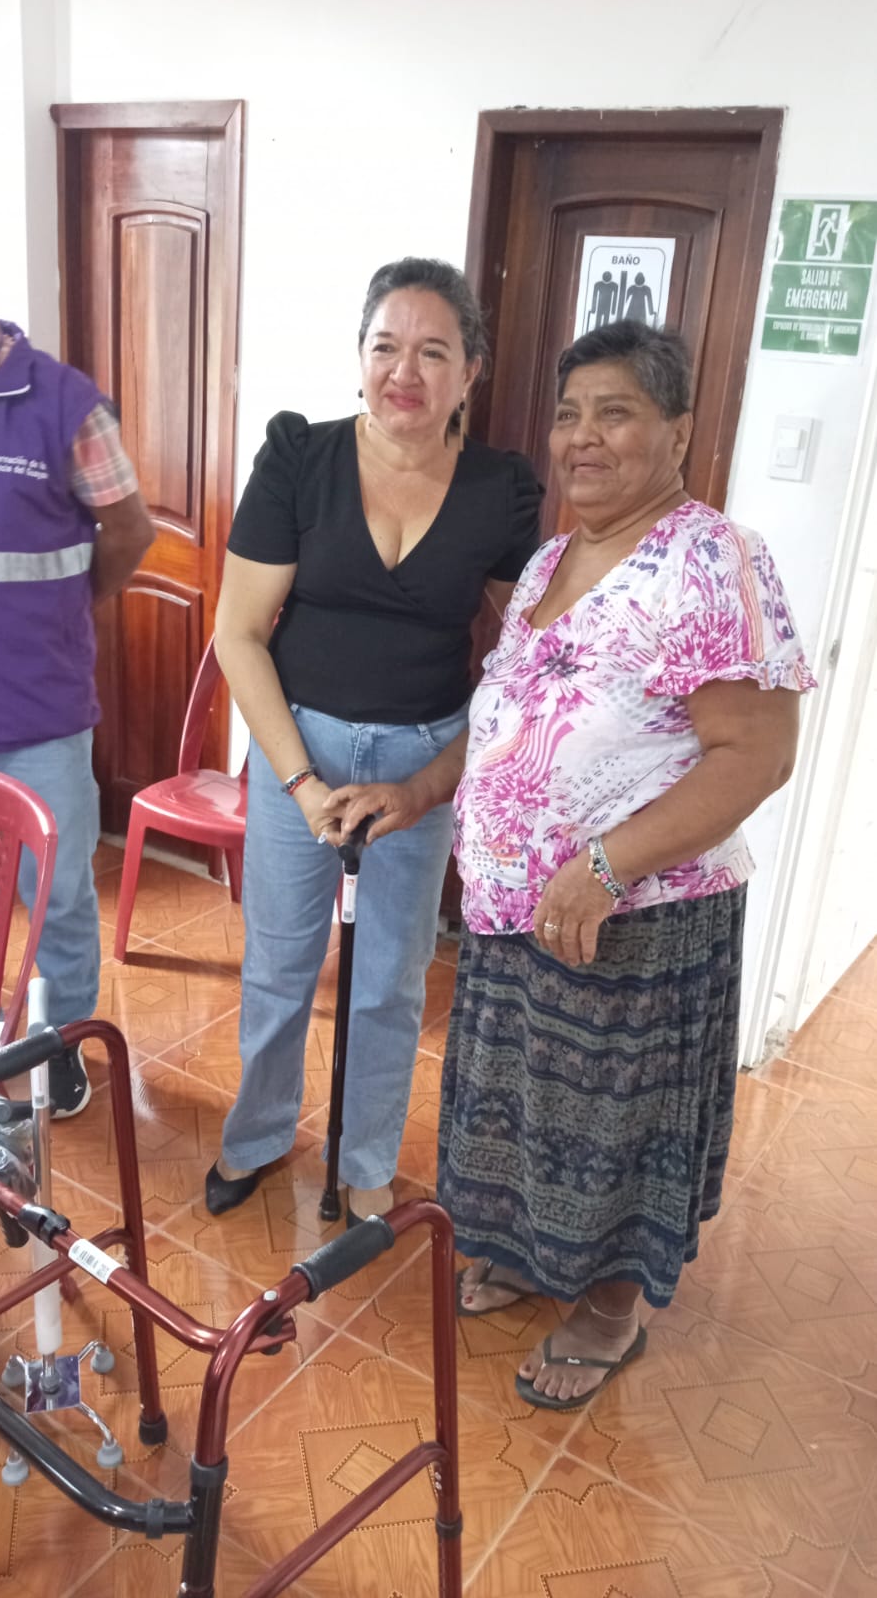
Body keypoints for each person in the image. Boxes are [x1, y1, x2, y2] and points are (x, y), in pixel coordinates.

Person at [342, 319, 815, 1410]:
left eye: (615, 413)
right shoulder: (557, 556)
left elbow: (757, 753)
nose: (581, 437)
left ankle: (608, 1309)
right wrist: (420, 791)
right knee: (522, 1104)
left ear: (677, 431)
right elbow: (508, 710)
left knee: (611, 1125)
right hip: (517, 913)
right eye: (567, 415)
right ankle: (521, 1252)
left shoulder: (712, 561)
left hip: (633, 924)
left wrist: (603, 867)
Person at [206, 258, 542, 1223]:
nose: (405, 371)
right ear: (358, 356)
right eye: (385, 346)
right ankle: (257, 1132)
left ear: (469, 371)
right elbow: (238, 634)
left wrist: (436, 778)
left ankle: (364, 1162)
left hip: (417, 766)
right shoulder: (298, 458)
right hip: (297, 751)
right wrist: (302, 783)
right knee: (278, 966)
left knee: (390, 980)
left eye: (433, 352)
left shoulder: (500, 490)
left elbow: (525, 661)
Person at [0, 314, 155, 1115]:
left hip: (39, 712)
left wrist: (63, 609)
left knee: (55, 896)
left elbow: (130, 530)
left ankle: (61, 1045)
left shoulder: (64, 404)